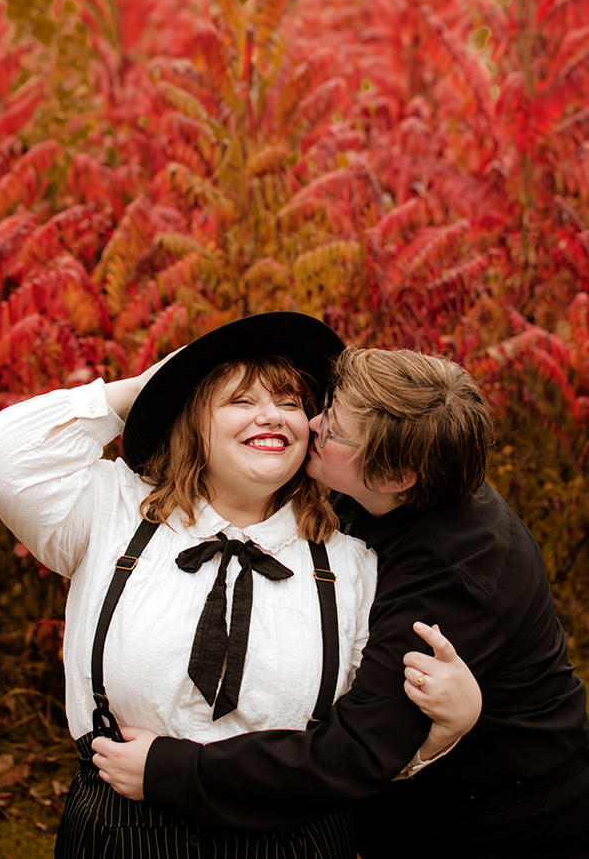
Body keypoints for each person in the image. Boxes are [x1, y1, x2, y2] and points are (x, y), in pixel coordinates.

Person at [0, 313, 479, 858]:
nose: (271, 415)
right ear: (192, 420)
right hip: (121, 831)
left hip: (296, 839)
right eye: (240, 401)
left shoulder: (353, 564)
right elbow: (9, 455)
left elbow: (360, 749)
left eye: (291, 403)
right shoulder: (113, 510)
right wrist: (156, 384)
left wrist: (440, 735)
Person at [95, 347, 589, 858]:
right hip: (403, 809)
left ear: (395, 477)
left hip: (500, 820)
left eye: (332, 432)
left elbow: (356, 750)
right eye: (327, 407)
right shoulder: (381, 475)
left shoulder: (455, 574)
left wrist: (173, 771)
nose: (312, 425)